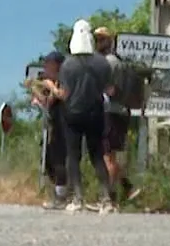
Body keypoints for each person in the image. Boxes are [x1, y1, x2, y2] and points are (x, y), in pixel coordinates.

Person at [54, 20, 118, 212]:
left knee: (73, 156)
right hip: (95, 113)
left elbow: (64, 94)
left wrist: (51, 89)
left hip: (72, 114)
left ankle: (78, 198)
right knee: (97, 155)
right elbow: (111, 90)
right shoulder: (102, 63)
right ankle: (106, 199)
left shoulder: (67, 65)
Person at [92, 26, 137, 203]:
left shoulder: (108, 63)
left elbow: (109, 90)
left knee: (106, 155)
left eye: (101, 39)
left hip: (110, 112)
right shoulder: (121, 62)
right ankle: (127, 187)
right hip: (121, 112)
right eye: (97, 39)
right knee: (110, 155)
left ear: (109, 42)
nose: (98, 43)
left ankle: (109, 198)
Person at [26, 52, 70, 207]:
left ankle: (62, 196)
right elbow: (47, 102)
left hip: (64, 123)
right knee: (49, 160)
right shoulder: (52, 81)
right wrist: (35, 90)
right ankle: (59, 192)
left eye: (49, 64)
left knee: (60, 159)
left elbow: (58, 97)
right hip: (54, 124)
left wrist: (51, 87)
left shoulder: (64, 79)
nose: (46, 67)